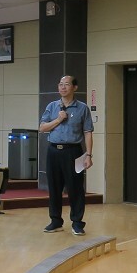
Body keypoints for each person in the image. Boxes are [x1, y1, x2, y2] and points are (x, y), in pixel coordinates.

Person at [38, 75, 94, 235]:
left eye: (67, 84)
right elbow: (42, 128)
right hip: (53, 150)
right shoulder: (52, 106)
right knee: (54, 187)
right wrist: (58, 119)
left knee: (75, 188)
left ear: (74, 87)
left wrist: (89, 155)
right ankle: (55, 221)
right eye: (61, 84)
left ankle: (77, 223)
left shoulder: (82, 108)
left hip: (73, 151)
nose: (63, 87)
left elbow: (88, 132)